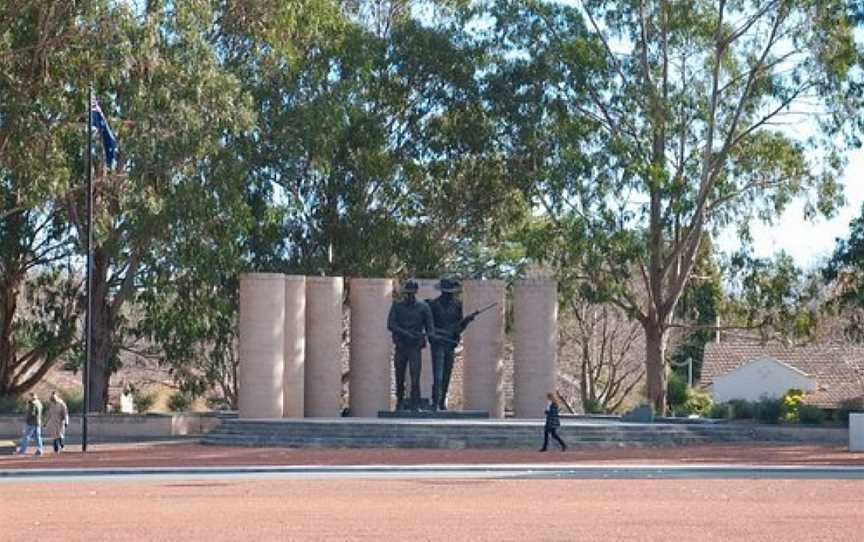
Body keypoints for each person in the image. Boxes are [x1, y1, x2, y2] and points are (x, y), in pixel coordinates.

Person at [387, 280, 435, 410]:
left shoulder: (424, 307)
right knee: (399, 376)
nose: (409, 296)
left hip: (415, 346)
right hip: (401, 345)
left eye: (411, 293)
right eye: (407, 293)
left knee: (415, 376)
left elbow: (430, 327)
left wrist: (430, 335)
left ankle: (415, 402)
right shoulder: (397, 306)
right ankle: (400, 401)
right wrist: (405, 333)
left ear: (416, 292)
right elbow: (391, 324)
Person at [426, 278, 472, 411]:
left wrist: (466, 322)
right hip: (438, 343)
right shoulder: (433, 305)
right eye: (447, 292)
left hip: (450, 344)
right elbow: (429, 326)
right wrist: (434, 336)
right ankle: (435, 402)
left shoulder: (458, 305)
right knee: (438, 375)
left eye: (451, 292)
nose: (450, 294)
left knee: (447, 374)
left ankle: (441, 402)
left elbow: (458, 327)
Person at [16, 392, 44, 457]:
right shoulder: (39, 403)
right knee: (37, 437)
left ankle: (22, 450)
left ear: (31, 397)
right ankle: (40, 449)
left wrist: (26, 420)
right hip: (37, 422)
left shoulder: (32, 404)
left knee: (26, 436)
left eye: (29, 396)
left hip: (31, 423)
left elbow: (32, 413)